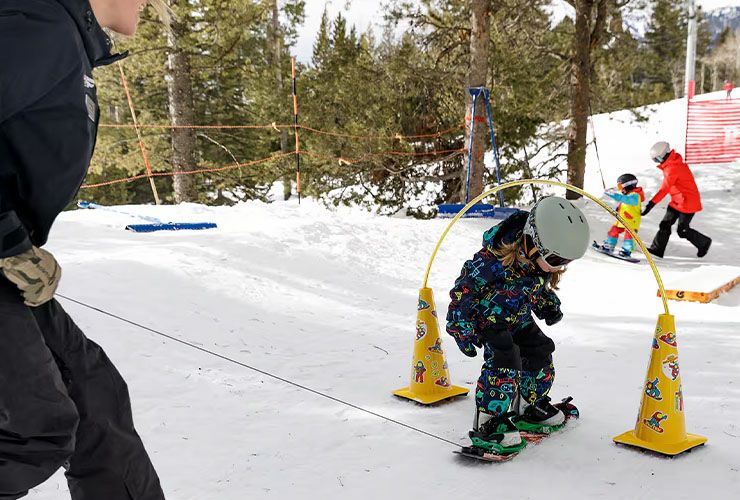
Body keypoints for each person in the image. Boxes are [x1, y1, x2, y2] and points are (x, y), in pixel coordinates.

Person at [0, 1, 170, 499]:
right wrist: (9, 241)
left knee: (93, 396)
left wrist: (17, 244)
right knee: (33, 428)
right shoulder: (39, 29)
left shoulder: (62, 37)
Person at [446, 196, 590, 454]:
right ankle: (490, 423)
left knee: (540, 351)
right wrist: (460, 325)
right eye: (557, 260)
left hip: (519, 318)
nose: (559, 267)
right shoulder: (490, 261)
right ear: (533, 243)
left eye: (566, 262)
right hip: (490, 321)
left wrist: (547, 305)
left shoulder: (537, 264)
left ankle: (529, 407)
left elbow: (534, 289)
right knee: (505, 362)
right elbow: (463, 291)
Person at [642, 141, 712, 259]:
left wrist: (650, 205)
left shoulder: (672, 168)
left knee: (682, 231)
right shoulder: (673, 162)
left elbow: (664, 190)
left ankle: (704, 242)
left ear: (665, 154)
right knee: (665, 224)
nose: (658, 162)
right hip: (677, 201)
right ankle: (657, 249)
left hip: (688, 203)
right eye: (655, 160)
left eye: (658, 159)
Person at [601, 173, 645, 258]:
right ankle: (608, 246)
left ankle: (626, 251)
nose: (620, 189)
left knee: (629, 236)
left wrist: (613, 195)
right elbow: (625, 205)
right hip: (622, 220)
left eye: (620, 186)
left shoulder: (636, 196)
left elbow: (625, 200)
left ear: (628, 185)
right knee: (614, 230)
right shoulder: (629, 194)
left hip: (632, 221)